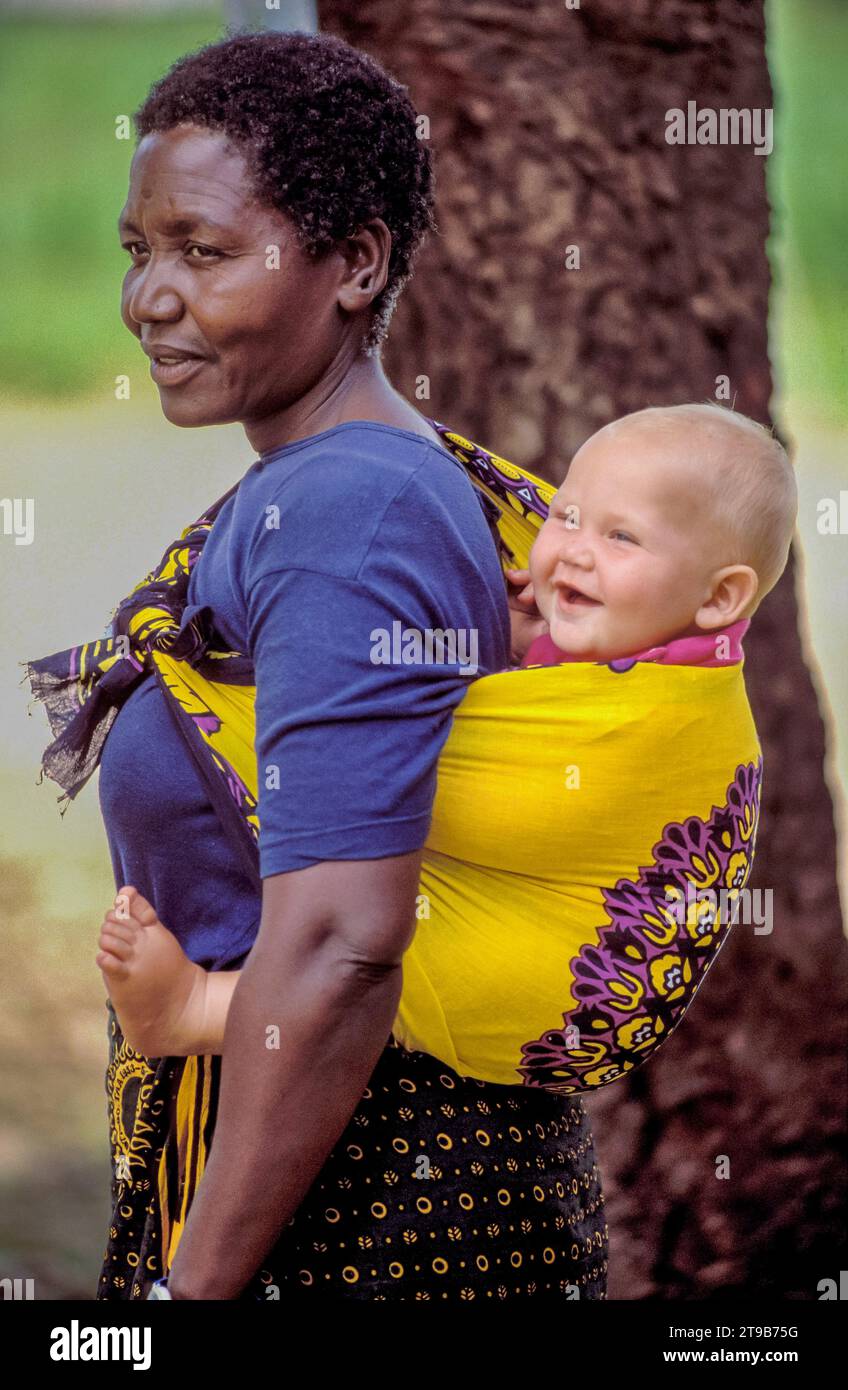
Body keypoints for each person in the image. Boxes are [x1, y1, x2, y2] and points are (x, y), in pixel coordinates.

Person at [25, 30, 607, 1301]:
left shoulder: (354, 511)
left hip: (360, 1221)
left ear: (355, 265)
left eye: (205, 251)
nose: (149, 298)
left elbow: (343, 940)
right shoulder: (356, 477)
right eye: (140, 251)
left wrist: (195, 1288)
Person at [97, 400, 796, 1096]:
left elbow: (424, 771)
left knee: (380, 951)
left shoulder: (662, 722)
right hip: (551, 919)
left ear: (717, 600)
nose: (574, 550)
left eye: (623, 539)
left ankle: (195, 1009)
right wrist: (526, 632)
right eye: (567, 516)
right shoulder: (629, 630)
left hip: (566, 990)